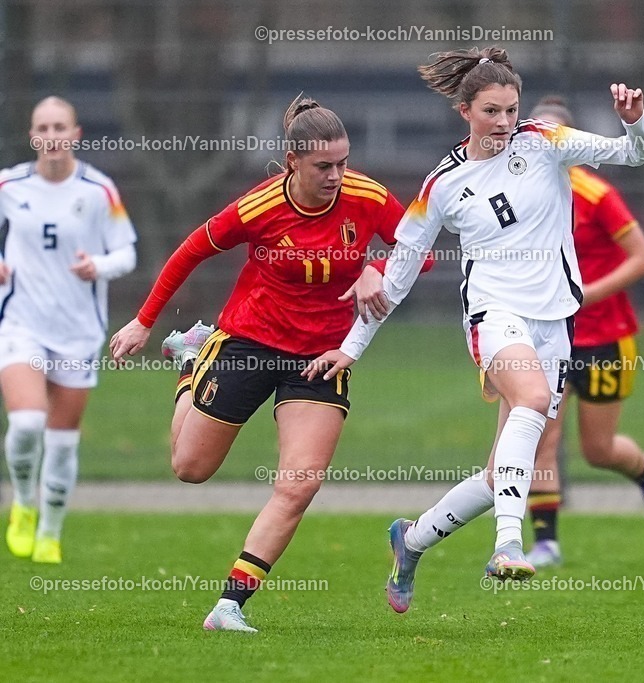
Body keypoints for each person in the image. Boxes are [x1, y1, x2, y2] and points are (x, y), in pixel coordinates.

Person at [303, 46, 644, 613]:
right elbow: (398, 275)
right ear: (464, 110)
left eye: (511, 110)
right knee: (533, 401)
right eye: (492, 111)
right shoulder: (441, 185)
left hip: (555, 321)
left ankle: (411, 542)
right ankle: (509, 546)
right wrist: (351, 348)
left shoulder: (545, 143)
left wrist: (634, 119)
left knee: (500, 474)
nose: (505, 122)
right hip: (494, 315)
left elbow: (634, 155)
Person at [110, 94, 429, 632]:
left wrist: (377, 266)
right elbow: (191, 250)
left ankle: (229, 605)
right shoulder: (258, 208)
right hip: (250, 343)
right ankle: (191, 363)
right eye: (324, 166)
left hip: (323, 355)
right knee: (191, 469)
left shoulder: (367, 196)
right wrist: (143, 320)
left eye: (343, 163)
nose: (337, 176)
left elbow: (416, 247)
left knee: (299, 484)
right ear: (292, 163)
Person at [522, 96, 644, 569]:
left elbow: (643, 259)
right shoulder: (517, 193)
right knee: (541, 437)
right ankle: (546, 541)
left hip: (605, 336)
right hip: (547, 336)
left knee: (598, 450)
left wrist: (581, 294)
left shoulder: (597, 196)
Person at [0, 96, 137, 564]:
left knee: (61, 439)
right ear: (33, 135)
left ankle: (50, 532)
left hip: (79, 332)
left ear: (75, 134)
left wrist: (97, 265)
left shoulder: (99, 190)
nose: (52, 134)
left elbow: (127, 254)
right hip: (22, 324)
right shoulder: (8, 184)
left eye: (61, 125)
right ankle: (21, 501)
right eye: (43, 126)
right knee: (26, 422)